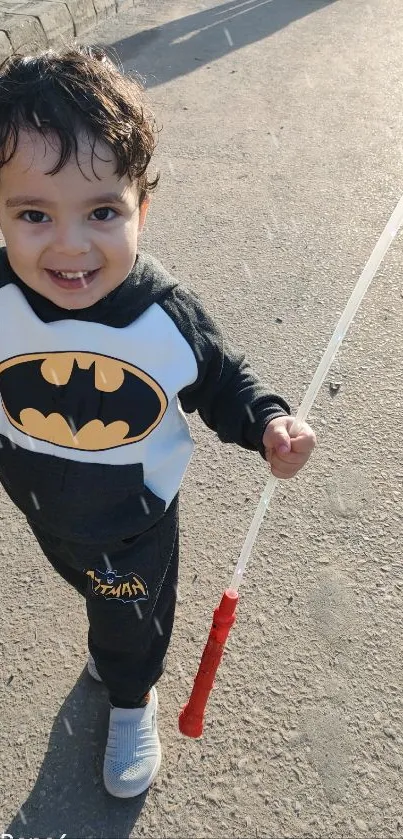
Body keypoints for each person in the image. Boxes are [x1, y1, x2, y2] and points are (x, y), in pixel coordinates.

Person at [0, 46, 316, 798]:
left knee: (126, 618)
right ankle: (115, 649)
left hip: (133, 518)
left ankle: (130, 695)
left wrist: (268, 422)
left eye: (102, 211)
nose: (70, 244)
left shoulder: (162, 316)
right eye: (33, 214)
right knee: (92, 591)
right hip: (42, 502)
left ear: (143, 207)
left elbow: (224, 379)